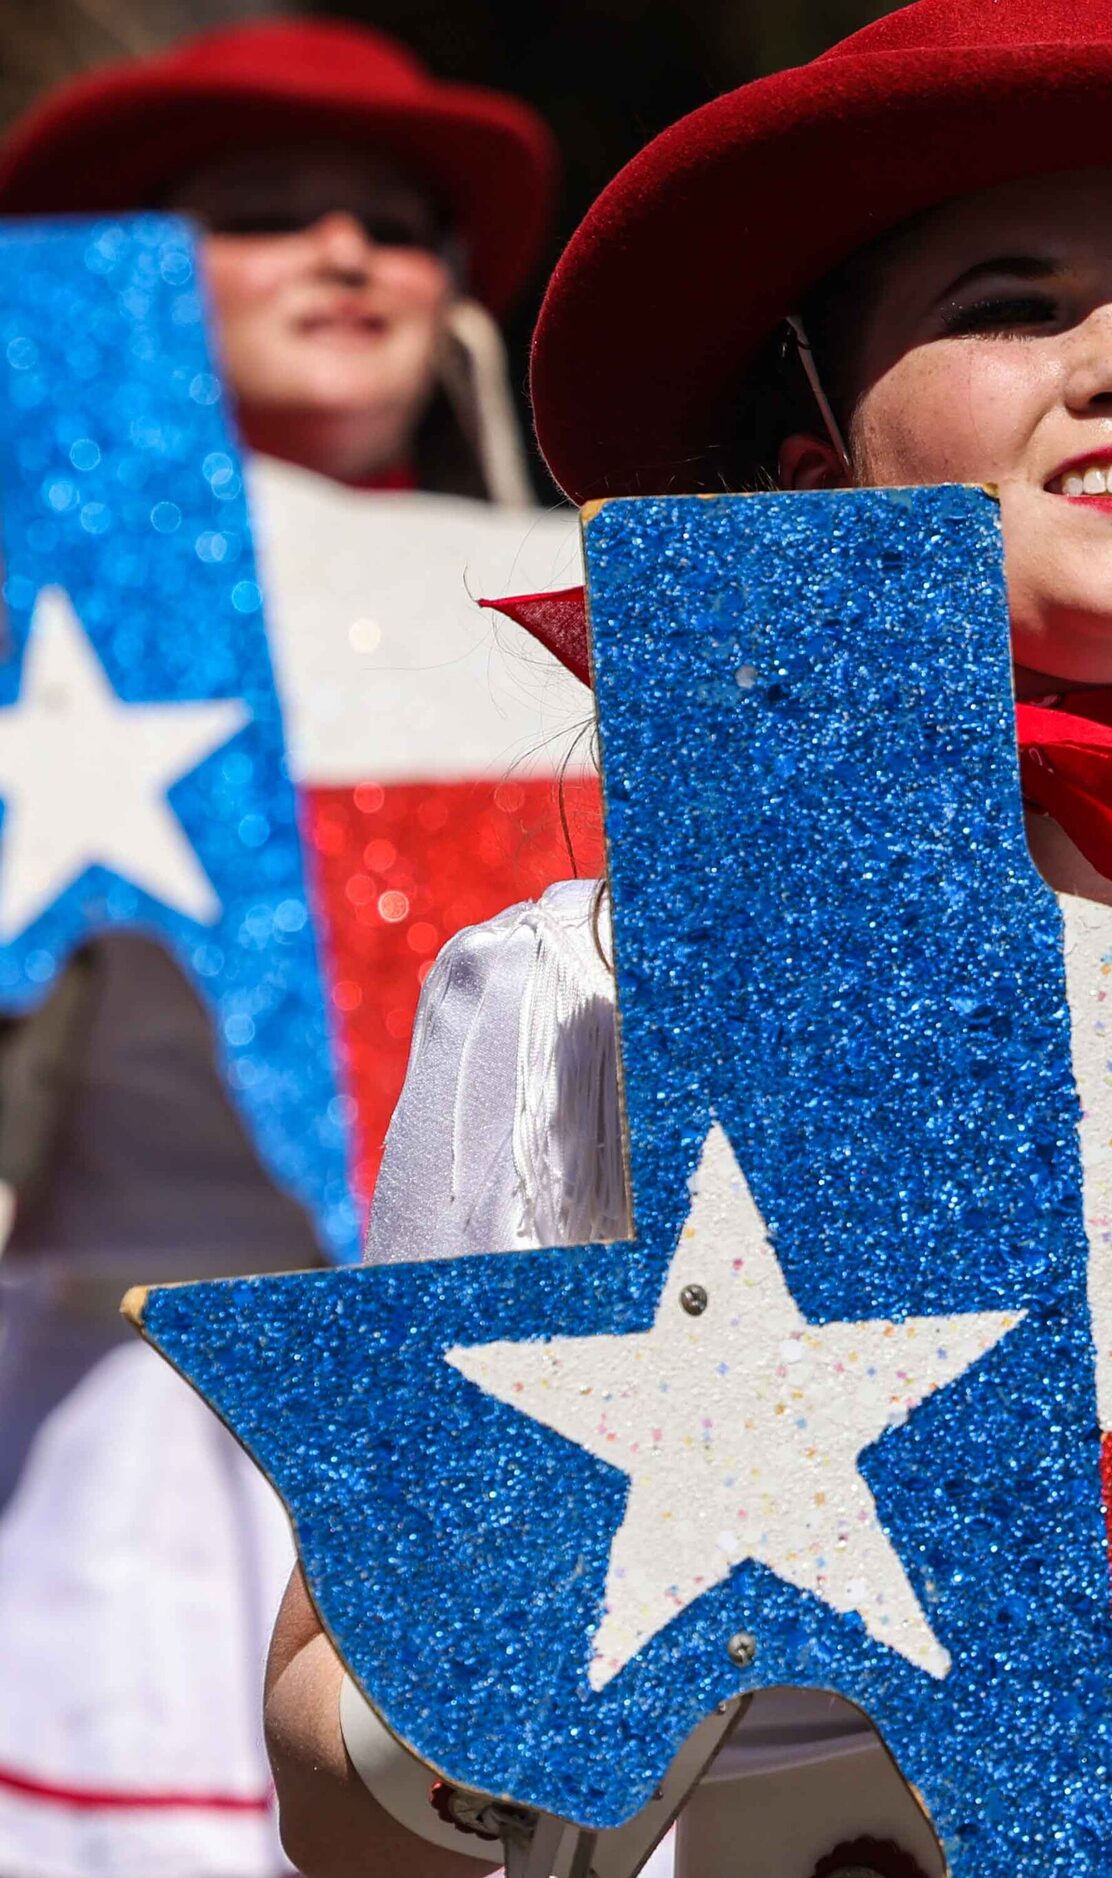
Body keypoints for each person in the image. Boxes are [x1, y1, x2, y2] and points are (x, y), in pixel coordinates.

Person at [257, 6, 1112, 1875]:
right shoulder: (581, 990)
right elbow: (342, 1768)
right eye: (1011, 303)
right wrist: (525, 1668)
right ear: (814, 453)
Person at [0, 25, 577, 1878]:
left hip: (509, 1440)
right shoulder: (35, 602)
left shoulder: (596, 596)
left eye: (400, 226)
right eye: (266, 216)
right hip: (120, 1479)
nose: (349, 253)